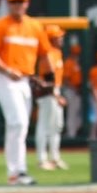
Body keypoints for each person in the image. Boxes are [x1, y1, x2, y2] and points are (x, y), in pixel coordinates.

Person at [0, 0, 51, 185]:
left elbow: (45, 54)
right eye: (13, 1)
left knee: (23, 126)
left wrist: (48, 78)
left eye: (20, 1)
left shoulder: (35, 26)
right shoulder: (1, 25)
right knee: (17, 122)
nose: (17, 5)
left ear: (27, 3)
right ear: (8, 3)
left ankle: (19, 171)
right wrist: (7, 69)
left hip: (26, 81)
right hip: (6, 79)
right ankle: (15, 172)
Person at [35, 24, 69, 173]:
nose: (62, 39)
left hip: (55, 91)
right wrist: (57, 96)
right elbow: (46, 80)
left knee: (57, 126)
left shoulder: (57, 53)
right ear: (52, 38)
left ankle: (55, 157)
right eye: (59, 36)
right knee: (44, 126)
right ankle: (42, 159)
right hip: (47, 93)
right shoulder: (46, 53)